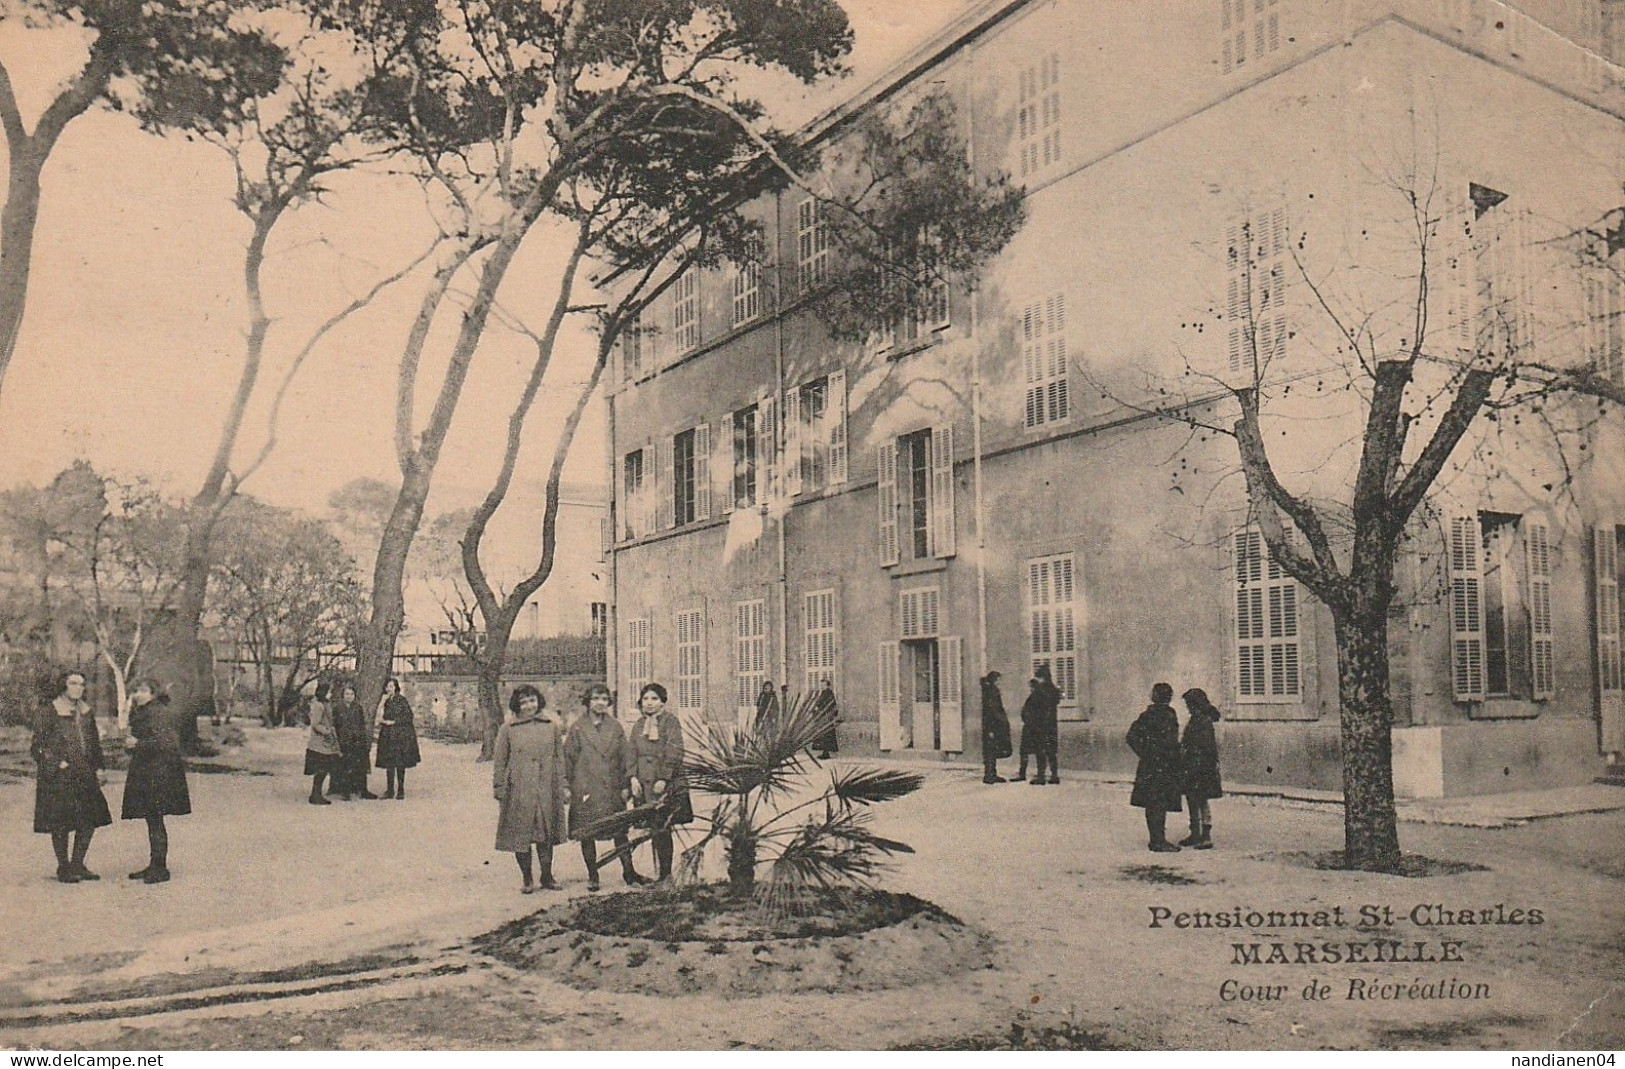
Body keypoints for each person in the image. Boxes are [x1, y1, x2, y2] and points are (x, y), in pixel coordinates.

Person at [564, 684, 650, 891]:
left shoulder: (616, 727)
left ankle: (629, 872)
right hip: (586, 788)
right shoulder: (577, 728)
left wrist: (626, 783)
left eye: (604, 699)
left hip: (612, 787)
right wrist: (566, 786)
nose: (600, 703)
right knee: (587, 832)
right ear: (588, 701)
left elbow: (626, 757)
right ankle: (593, 875)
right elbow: (567, 759)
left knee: (620, 831)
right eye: (596, 698)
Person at [32, 671, 112, 883]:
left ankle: (78, 863)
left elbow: (94, 744)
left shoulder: (86, 712)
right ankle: (63, 866)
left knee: (89, 819)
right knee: (61, 822)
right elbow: (37, 747)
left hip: (85, 773)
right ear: (63, 686)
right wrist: (58, 763)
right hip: (60, 776)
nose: (78, 688)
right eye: (73, 683)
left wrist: (100, 768)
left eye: (82, 684)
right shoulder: (49, 711)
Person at [493, 685, 568, 892]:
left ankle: (547, 876)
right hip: (518, 789)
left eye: (532, 701)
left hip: (546, 787)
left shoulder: (551, 726)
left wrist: (562, 785)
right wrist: (499, 787)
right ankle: (527, 878)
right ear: (517, 704)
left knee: (546, 834)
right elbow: (500, 761)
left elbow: (559, 758)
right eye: (523, 702)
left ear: (539, 701)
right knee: (521, 835)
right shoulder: (507, 729)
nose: (528, 706)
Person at [121, 678, 191, 884]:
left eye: (142, 690)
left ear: (153, 693)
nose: (137, 695)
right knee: (153, 819)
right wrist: (131, 745)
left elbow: (168, 742)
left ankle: (160, 868)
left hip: (160, 773)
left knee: (155, 818)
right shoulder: (144, 712)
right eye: (135, 691)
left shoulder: (159, 712)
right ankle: (155, 864)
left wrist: (137, 744)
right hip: (149, 772)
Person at [628, 683, 693, 882]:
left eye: (654, 699)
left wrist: (664, 778)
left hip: (665, 783)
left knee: (663, 828)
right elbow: (631, 752)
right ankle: (658, 873)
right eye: (646, 699)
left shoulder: (670, 722)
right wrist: (632, 777)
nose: (649, 703)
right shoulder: (639, 724)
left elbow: (675, 751)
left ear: (663, 702)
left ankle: (665, 874)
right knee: (653, 828)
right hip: (644, 784)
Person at [1127, 682, 1184, 852]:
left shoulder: (1164, 714)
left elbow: (1132, 737)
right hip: (1157, 765)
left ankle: (1157, 839)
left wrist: (1145, 753)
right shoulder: (1151, 715)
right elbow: (1132, 736)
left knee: (1156, 802)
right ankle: (1157, 841)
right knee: (1156, 802)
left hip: (1159, 765)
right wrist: (1147, 753)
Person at [1179, 688, 1223, 849]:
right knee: (1193, 799)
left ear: (1196, 704)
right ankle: (1195, 833)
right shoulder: (1197, 719)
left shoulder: (1204, 721)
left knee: (1201, 800)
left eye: (1189, 704)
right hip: (1193, 765)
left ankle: (1205, 836)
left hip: (1201, 767)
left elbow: (1206, 747)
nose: (1188, 708)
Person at [374, 679, 421, 800]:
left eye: (391, 686)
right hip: (388, 735)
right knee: (389, 763)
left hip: (400, 735)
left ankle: (400, 790)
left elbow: (408, 716)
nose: (389, 689)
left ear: (396, 687)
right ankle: (390, 790)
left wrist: (394, 722)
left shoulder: (401, 700)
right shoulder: (386, 701)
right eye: (387, 686)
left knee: (400, 763)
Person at [332, 684, 377, 800]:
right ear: (343, 695)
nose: (349, 696)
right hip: (344, 742)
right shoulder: (337, 708)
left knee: (361, 766)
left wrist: (363, 740)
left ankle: (363, 790)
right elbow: (335, 726)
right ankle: (345, 791)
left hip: (357, 741)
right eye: (347, 694)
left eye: (351, 694)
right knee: (345, 766)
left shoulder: (358, 708)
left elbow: (361, 725)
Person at [1020, 667, 1062, 785]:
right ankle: (1054, 776)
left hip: (1041, 725)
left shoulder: (1040, 691)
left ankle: (1041, 776)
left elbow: (1036, 709)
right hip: (1052, 725)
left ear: (1042, 677)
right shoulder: (1053, 690)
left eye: (1038, 677)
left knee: (1041, 750)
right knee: (1051, 751)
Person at [304, 682, 340, 805]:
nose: (331, 693)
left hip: (325, 743)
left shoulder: (325, 704)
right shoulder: (318, 706)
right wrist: (327, 731)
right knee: (321, 769)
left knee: (323, 769)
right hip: (319, 743)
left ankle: (316, 794)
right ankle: (315, 795)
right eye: (329, 691)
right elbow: (315, 724)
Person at [980, 671, 1013, 783]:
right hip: (992, 726)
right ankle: (989, 775)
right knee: (990, 750)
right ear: (995, 680)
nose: (1000, 682)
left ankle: (991, 773)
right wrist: (996, 726)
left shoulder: (989, 691)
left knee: (991, 750)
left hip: (991, 726)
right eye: (998, 680)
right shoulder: (992, 692)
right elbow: (992, 711)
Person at [811, 678, 840, 760]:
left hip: (826, 718)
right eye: (821, 685)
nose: (821, 686)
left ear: (827, 685)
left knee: (826, 735)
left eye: (823, 685)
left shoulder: (829, 693)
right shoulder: (824, 693)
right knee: (824, 735)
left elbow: (830, 705)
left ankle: (826, 753)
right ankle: (825, 752)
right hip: (823, 717)